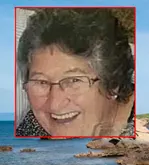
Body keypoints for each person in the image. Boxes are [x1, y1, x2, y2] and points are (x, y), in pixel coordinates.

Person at [15, 8, 135, 137]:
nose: (54, 105)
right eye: (41, 82)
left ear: (113, 84)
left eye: (73, 80)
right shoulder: (32, 126)